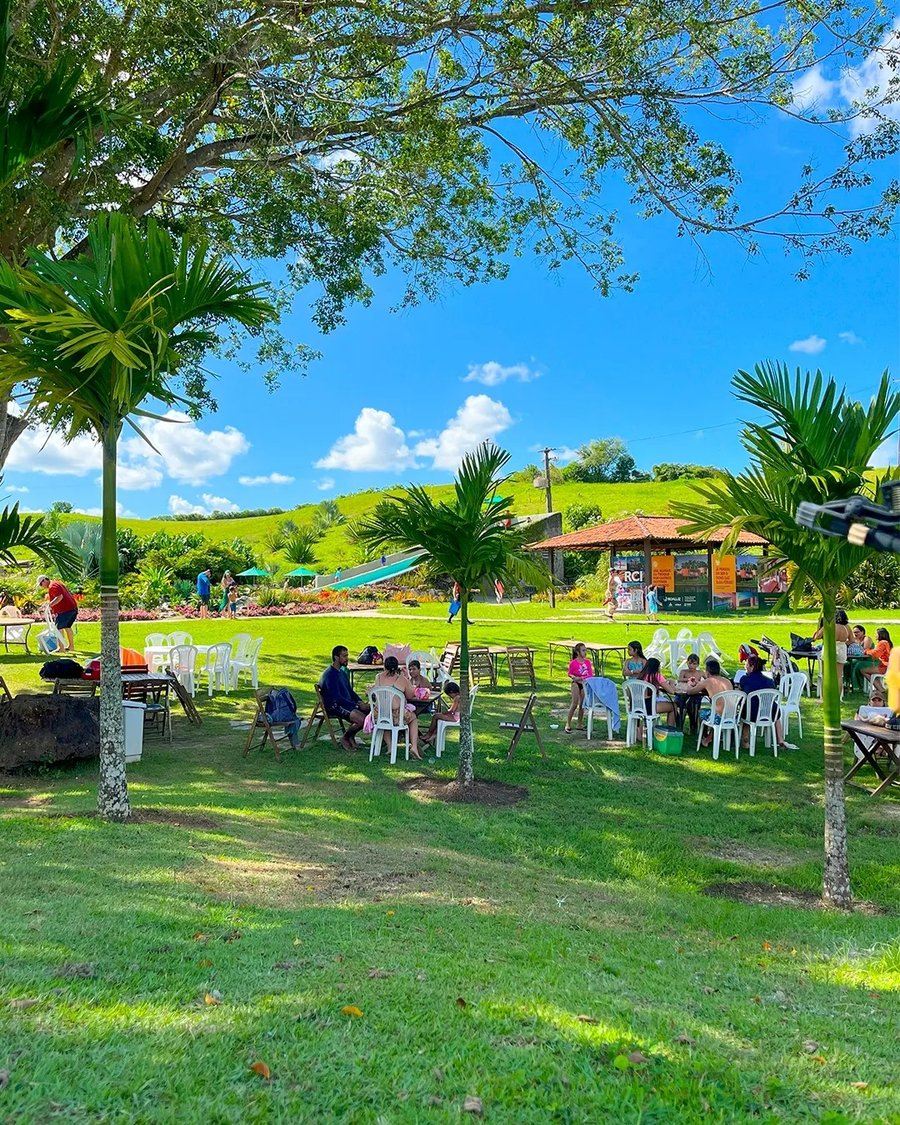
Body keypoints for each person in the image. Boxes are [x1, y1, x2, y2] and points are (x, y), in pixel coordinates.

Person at [738, 655, 798, 751]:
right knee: (776, 715)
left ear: (752, 666)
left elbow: (741, 692)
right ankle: (780, 739)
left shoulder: (745, 679)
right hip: (769, 713)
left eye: (747, 664)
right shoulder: (769, 681)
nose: (746, 666)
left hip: (752, 714)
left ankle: (745, 741)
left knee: (745, 710)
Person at [370, 656, 422, 759]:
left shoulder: (378, 677)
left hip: (379, 715)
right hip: (396, 716)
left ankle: (390, 746)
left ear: (384, 666)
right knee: (413, 718)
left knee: (386, 720)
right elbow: (410, 695)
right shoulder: (401, 679)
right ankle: (414, 747)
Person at [320, 645, 370, 751]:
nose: (347, 658)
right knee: (362, 720)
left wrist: (361, 703)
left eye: (347, 655)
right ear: (336, 657)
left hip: (345, 703)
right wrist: (356, 705)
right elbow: (337, 698)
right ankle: (345, 738)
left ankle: (351, 737)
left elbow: (350, 692)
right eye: (344, 656)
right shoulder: (330, 675)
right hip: (335, 706)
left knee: (369, 712)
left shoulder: (342, 673)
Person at [813, 608, 850, 694]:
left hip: (829, 647)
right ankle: (838, 697)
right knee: (839, 676)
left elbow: (816, 637)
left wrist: (819, 627)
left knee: (825, 675)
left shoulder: (829, 625)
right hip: (842, 648)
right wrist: (842, 642)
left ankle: (825, 697)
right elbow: (852, 640)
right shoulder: (847, 627)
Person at [37, 574, 78, 653]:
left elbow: (59, 597)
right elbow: (58, 597)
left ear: (45, 580)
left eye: (41, 584)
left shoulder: (52, 586)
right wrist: (48, 603)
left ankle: (61, 648)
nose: (42, 586)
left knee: (58, 629)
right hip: (72, 608)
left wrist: (49, 605)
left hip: (65, 610)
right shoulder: (57, 583)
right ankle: (71, 646)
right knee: (67, 627)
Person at [637, 658, 677, 727]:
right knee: (674, 706)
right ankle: (670, 729)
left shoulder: (641, 675)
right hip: (648, 706)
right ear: (657, 667)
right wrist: (672, 682)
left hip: (637, 705)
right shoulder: (656, 675)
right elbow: (671, 691)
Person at [421, 681, 461, 748]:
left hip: (456, 718)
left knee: (436, 716)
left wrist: (444, 712)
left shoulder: (457, 698)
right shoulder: (461, 696)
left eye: (449, 695)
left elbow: (452, 710)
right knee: (439, 717)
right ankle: (434, 734)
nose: (450, 697)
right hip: (457, 716)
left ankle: (429, 733)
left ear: (451, 692)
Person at [565, 643, 594, 733]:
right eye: (583, 650)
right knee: (574, 704)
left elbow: (590, 674)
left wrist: (584, 678)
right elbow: (570, 673)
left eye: (586, 650)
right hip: (576, 684)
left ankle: (579, 723)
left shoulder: (588, 662)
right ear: (577, 652)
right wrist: (575, 678)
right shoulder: (573, 663)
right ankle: (568, 723)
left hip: (584, 684)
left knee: (582, 705)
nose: (585, 652)